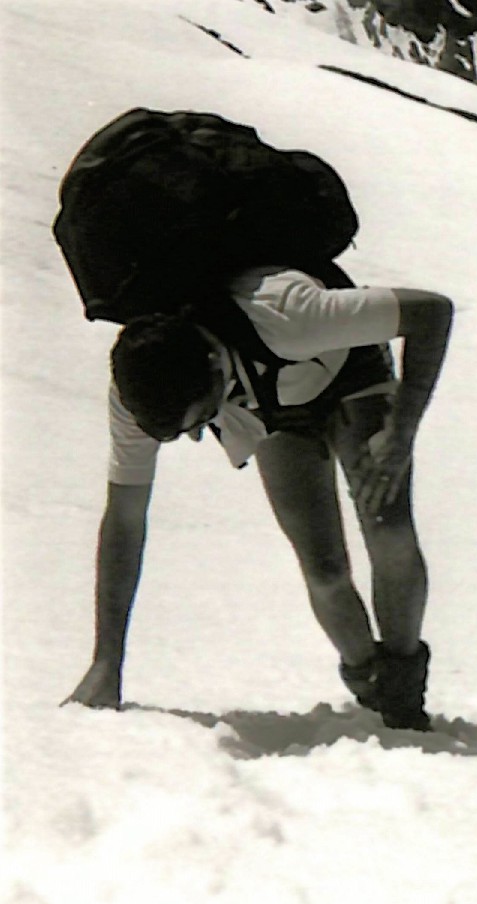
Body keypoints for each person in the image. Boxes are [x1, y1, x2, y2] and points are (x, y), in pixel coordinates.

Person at [63, 264, 455, 731]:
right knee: (324, 567)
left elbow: (432, 311)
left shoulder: (292, 316)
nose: (192, 439)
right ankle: (369, 678)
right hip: (269, 403)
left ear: (211, 371)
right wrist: (107, 661)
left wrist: (402, 428)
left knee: (387, 528)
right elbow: (126, 518)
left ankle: (403, 691)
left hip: (349, 370)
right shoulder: (139, 393)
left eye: (199, 422)